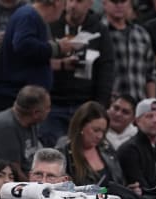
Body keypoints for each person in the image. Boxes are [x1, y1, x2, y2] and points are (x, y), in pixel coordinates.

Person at [41, 0, 115, 147]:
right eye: (70, 0)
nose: (73, 5)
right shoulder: (50, 26)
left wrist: (99, 107)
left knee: (82, 153)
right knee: (52, 151)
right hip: (53, 104)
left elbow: (106, 69)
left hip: (85, 105)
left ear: (89, 4)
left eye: (79, 1)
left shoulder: (100, 31)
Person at [0, 0, 73, 115]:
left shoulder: (31, 17)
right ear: (57, 2)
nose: (65, 9)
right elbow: (23, 45)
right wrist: (57, 48)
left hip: (26, 96)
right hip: (17, 96)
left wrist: (61, 61)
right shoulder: (28, 16)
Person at [0, 85, 49, 181]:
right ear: (36, 113)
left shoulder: (31, 123)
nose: (49, 111)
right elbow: (13, 174)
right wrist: (39, 188)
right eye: (47, 108)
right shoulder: (6, 128)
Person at [57, 101, 124, 186]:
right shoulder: (64, 150)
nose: (100, 136)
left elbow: (119, 181)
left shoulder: (106, 146)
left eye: (103, 131)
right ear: (81, 126)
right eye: (96, 130)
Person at [103, 0, 156, 102]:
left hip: (138, 103)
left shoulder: (142, 33)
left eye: (123, 1)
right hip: (109, 104)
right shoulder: (98, 32)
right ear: (104, 3)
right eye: (114, 2)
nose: (119, 5)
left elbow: (150, 74)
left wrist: (151, 103)